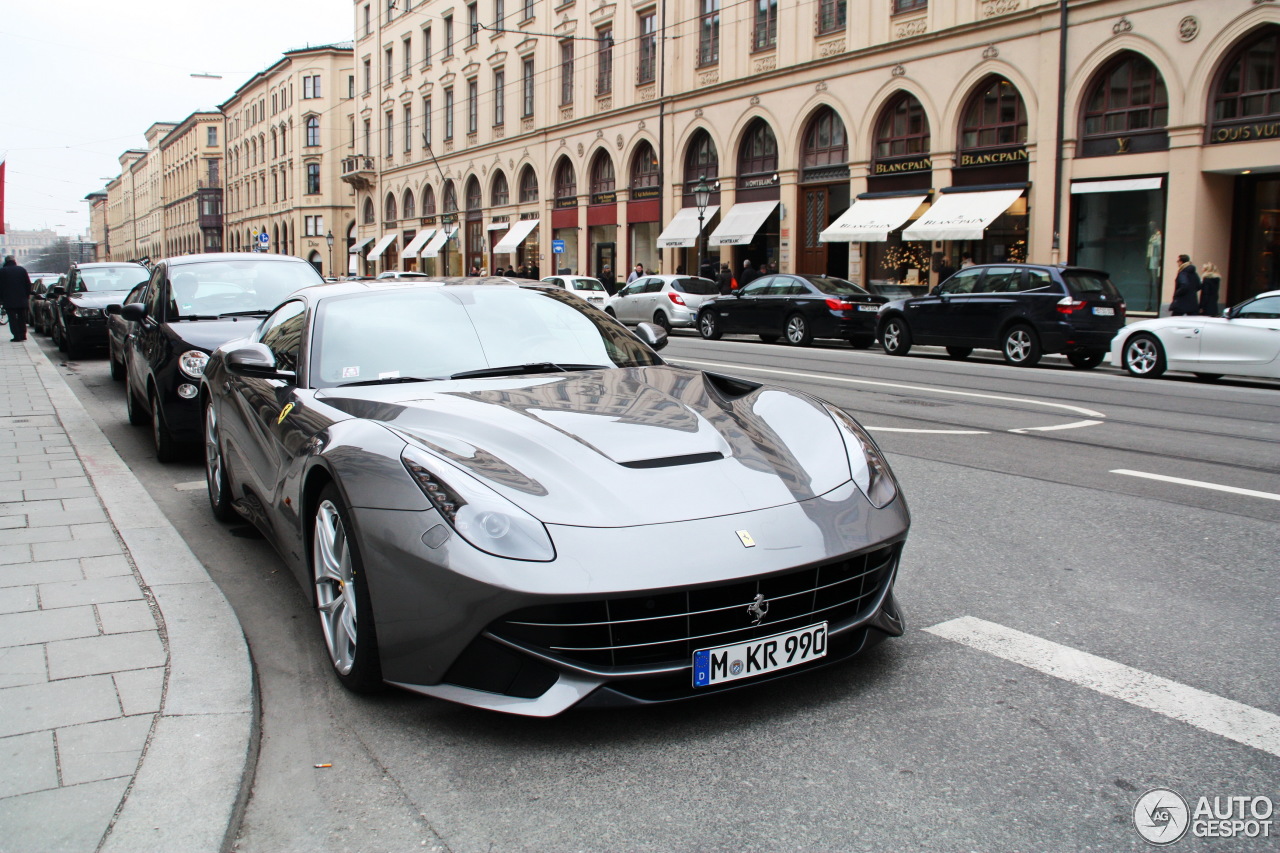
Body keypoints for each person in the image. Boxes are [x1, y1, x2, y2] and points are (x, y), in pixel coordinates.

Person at [0, 256, 33, 342]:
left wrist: (1, 299)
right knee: (22, 317)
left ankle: (16, 336)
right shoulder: (22, 270)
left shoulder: (2, 271)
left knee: (12, 318)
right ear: (14, 261)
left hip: (8, 299)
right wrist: (27, 296)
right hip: (22, 299)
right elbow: (28, 284)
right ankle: (23, 334)